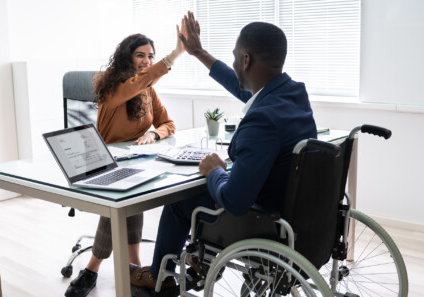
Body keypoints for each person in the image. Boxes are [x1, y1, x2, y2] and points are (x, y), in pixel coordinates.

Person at [130, 11, 317, 290]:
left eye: (234, 56)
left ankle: (161, 277)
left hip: (260, 220)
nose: (233, 62)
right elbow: (243, 89)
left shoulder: (262, 119)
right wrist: (198, 52)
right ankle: (200, 262)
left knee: (180, 202)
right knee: (205, 190)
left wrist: (215, 169)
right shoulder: (292, 95)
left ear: (245, 60)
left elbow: (235, 200)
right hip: (294, 213)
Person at [65, 30, 185, 297]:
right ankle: (95, 269)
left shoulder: (148, 90)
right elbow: (138, 82)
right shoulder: (113, 87)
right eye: (140, 55)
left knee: (133, 197)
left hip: (138, 162)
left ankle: (130, 267)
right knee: (123, 203)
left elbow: (169, 124)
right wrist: (175, 55)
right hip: (105, 163)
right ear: (126, 58)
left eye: (150, 56)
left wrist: (153, 133)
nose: (146, 60)